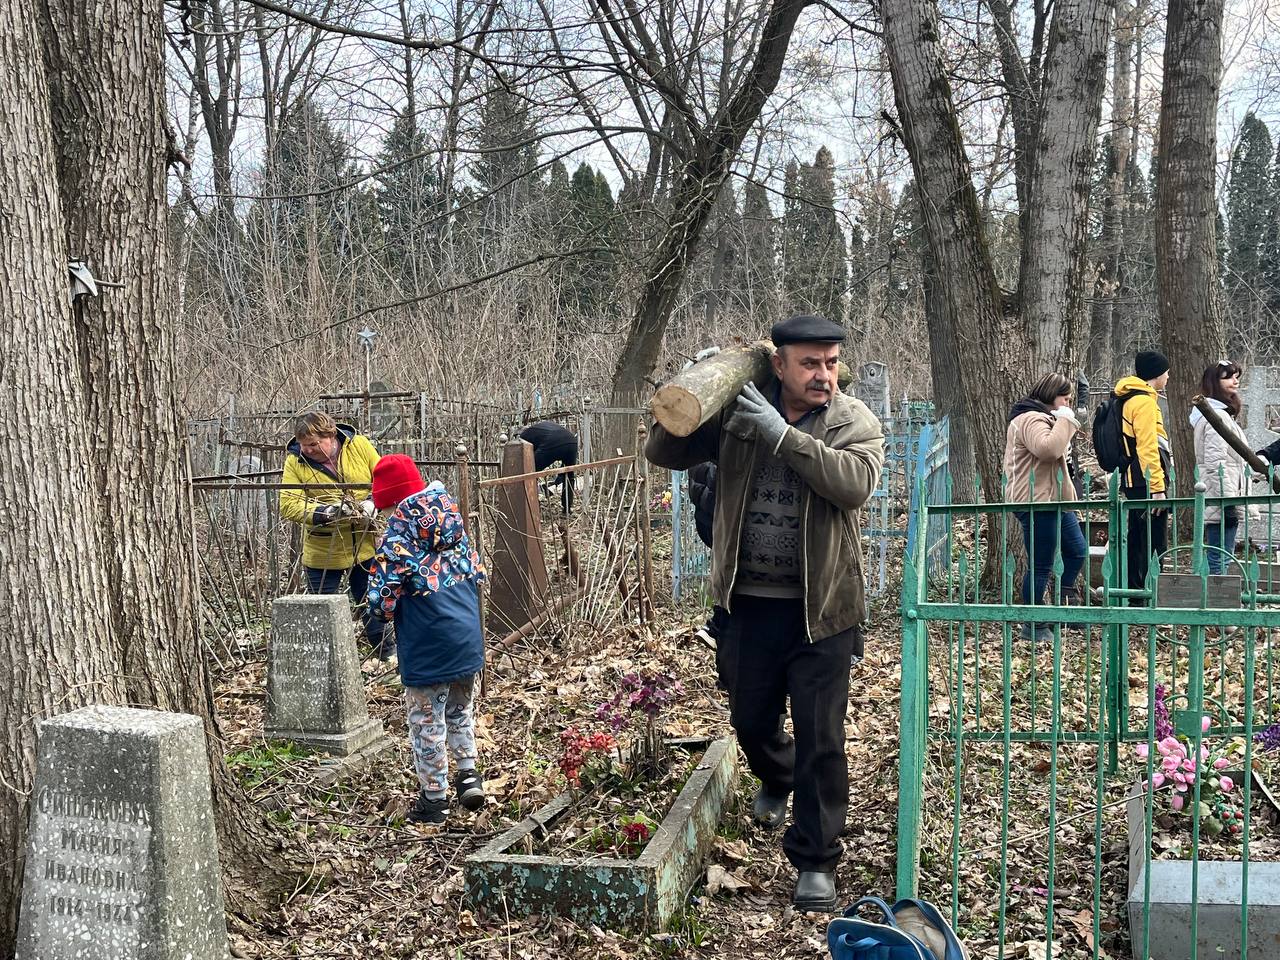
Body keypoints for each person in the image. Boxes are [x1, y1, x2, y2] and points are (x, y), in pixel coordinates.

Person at [645, 314, 885, 913]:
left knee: (821, 737)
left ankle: (816, 859)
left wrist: (783, 436)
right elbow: (663, 450)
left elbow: (854, 484)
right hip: (748, 606)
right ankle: (777, 777)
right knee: (751, 721)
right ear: (777, 364)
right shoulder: (739, 412)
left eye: (830, 362)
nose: (823, 375)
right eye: (809, 363)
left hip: (822, 610)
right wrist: (698, 388)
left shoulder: (853, 421)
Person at [366, 455, 487, 825]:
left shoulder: (396, 538)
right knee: (459, 709)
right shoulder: (454, 522)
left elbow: (380, 601)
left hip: (426, 641)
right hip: (466, 635)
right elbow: (479, 573)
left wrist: (382, 613)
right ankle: (468, 775)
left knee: (426, 721)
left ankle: (434, 798)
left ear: (390, 500)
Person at [279, 411, 390, 658]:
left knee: (372, 603)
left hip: (365, 544)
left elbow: (384, 478)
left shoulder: (358, 446)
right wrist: (325, 512)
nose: (308, 450)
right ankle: (327, 661)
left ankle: (385, 653)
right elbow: (289, 504)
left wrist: (372, 503)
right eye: (303, 445)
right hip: (323, 550)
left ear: (331, 436)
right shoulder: (295, 462)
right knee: (322, 609)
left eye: (314, 444)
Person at [1003, 374, 1088, 641]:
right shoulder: (1030, 418)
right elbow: (1048, 450)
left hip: (1053, 500)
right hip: (1035, 501)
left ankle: (1064, 601)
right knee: (1041, 565)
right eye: (1065, 397)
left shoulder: (1043, 418)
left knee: (1077, 550)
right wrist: (1066, 419)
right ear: (1051, 395)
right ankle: (1034, 623)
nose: (1068, 402)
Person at [1113, 351, 1174, 597]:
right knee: (1152, 540)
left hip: (1133, 478)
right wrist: (1157, 488)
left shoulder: (1130, 398)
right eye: (1166, 372)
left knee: (1137, 538)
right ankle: (1150, 593)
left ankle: (1135, 591)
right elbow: (1148, 447)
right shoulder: (1145, 402)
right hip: (1144, 480)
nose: (1168, 377)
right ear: (1156, 374)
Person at [1191, 361, 1260, 574]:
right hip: (1221, 498)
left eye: (1236, 376)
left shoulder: (1222, 414)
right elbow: (1215, 464)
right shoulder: (1215, 417)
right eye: (1228, 376)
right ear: (1214, 382)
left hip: (1226, 495)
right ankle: (1214, 601)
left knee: (1222, 554)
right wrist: (1228, 502)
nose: (1235, 380)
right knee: (1219, 557)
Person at [687, 461, 730, 646]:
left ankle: (718, 623)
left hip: (708, 508)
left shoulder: (702, 442)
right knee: (730, 559)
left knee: (726, 559)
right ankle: (719, 622)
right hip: (715, 510)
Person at [519, 420, 579, 513]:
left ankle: (530, 507)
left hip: (552, 441)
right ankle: (567, 508)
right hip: (572, 441)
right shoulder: (539, 428)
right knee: (569, 475)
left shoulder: (523, 437)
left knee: (529, 472)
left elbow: (526, 454)